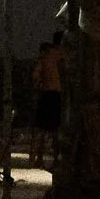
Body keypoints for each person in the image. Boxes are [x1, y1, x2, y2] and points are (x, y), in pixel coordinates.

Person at [29, 30, 66, 168]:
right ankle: (56, 159)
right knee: (57, 129)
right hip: (59, 95)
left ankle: (37, 158)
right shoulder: (64, 56)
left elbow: (35, 75)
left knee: (41, 128)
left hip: (45, 93)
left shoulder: (45, 56)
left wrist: (40, 85)